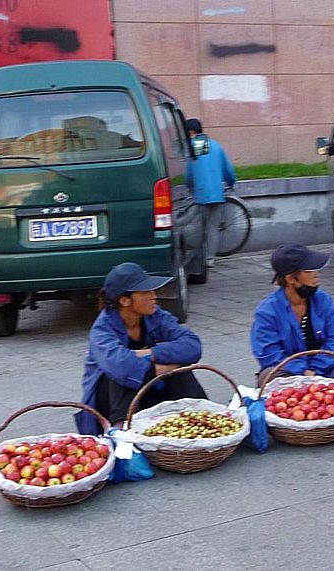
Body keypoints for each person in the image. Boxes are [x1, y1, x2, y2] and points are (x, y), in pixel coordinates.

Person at [75, 262, 205, 435]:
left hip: (148, 392)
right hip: (111, 402)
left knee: (180, 365)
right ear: (125, 301)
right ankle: (122, 431)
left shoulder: (156, 315)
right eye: (146, 292)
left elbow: (192, 345)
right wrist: (160, 369)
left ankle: (201, 417)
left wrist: (151, 353)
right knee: (121, 373)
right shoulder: (102, 329)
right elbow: (121, 367)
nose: (154, 296)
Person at [250, 243, 334, 385]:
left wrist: (315, 370)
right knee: (268, 376)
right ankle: (324, 387)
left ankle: (324, 386)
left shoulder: (323, 300)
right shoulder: (267, 312)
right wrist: (303, 372)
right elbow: (269, 354)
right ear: (291, 279)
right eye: (309, 271)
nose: (316, 274)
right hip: (292, 375)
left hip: (324, 370)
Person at [184, 118, 236, 268]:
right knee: (213, 227)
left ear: (190, 132)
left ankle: (194, 256)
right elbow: (228, 170)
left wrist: (190, 186)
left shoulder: (194, 146)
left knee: (198, 226)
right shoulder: (215, 145)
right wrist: (231, 182)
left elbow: (190, 173)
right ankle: (210, 259)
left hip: (201, 193)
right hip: (217, 193)